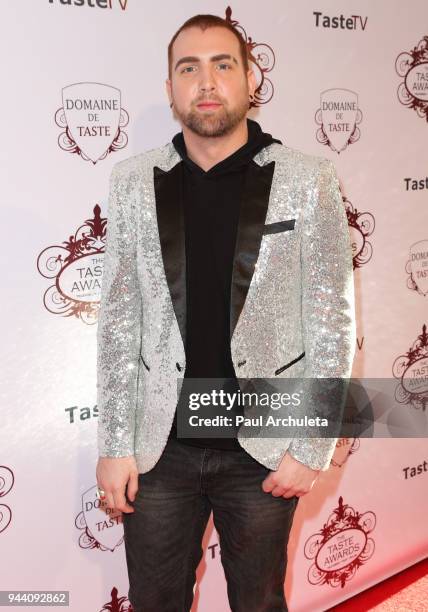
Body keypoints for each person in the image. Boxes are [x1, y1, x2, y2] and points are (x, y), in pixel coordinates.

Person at [95, 13, 356, 612]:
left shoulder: (308, 178)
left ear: (249, 78)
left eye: (222, 65)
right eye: (188, 68)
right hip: (160, 450)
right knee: (155, 601)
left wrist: (312, 444)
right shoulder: (133, 181)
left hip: (261, 450)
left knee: (260, 603)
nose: (206, 82)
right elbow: (119, 323)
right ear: (170, 88)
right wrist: (113, 442)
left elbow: (332, 322)